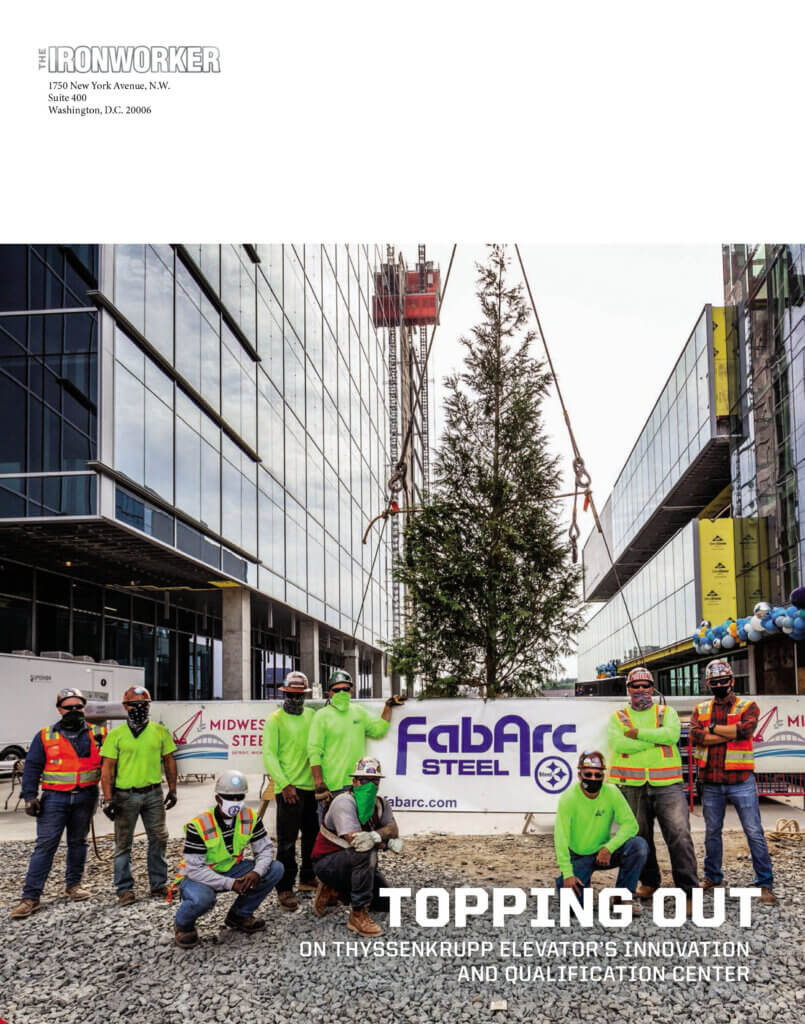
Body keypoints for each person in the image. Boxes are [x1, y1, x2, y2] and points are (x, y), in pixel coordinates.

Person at [10, 688, 107, 919]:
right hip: (55, 799)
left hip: (85, 797)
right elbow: (32, 766)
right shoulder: (45, 735)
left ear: (84, 708)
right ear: (59, 710)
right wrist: (30, 796)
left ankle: (73, 885)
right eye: (68, 707)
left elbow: (109, 764)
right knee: (45, 846)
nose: (74, 711)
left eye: (78, 707)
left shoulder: (98, 734)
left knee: (78, 843)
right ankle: (30, 897)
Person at [608, 666, 699, 907]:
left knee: (679, 836)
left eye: (645, 686)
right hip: (632, 785)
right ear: (628, 690)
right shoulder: (618, 717)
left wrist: (636, 734)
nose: (640, 691)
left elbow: (670, 736)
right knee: (639, 837)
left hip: (667, 784)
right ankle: (649, 882)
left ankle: (689, 892)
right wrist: (652, 740)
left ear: (652, 688)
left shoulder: (665, 712)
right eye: (635, 687)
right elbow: (619, 744)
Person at [689, 658, 776, 905]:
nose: (719, 684)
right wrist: (727, 732)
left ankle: (765, 883)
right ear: (708, 683)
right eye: (714, 681)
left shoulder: (748, 706)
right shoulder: (701, 709)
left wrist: (713, 729)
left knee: (754, 832)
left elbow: (745, 731)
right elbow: (697, 737)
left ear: (732, 680)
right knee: (712, 833)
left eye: (723, 681)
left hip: (741, 780)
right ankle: (713, 877)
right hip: (712, 782)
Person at [172, 770, 284, 949]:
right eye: (229, 798)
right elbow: (194, 869)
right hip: (199, 876)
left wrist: (256, 872)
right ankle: (183, 925)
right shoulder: (199, 825)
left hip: (232, 869)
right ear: (218, 799)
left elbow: (265, 849)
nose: (234, 802)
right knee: (202, 898)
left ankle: (239, 915)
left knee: (275, 869)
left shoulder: (250, 817)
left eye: (239, 797)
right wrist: (230, 884)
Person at [99, 685, 178, 905]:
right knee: (123, 844)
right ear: (126, 706)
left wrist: (172, 789)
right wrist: (107, 799)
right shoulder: (116, 735)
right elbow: (108, 768)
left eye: (144, 705)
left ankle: (158, 884)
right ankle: (124, 889)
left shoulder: (160, 732)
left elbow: (169, 760)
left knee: (159, 838)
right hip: (125, 796)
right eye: (135, 705)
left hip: (153, 793)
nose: (140, 708)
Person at [310, 756, 402, 937]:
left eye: (374, 781)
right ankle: (358, 914)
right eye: (364, 780)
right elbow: (356, 841)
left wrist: (376, 835)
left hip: (357, 866)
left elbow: (394, 829)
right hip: (328, 863)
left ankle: (336, 890)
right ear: (354, 781)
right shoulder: (344, 802)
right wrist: (382, 838)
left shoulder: (380, 805)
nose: (370, 785)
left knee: (387, 903)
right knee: (364, 850)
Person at [554, 751, 648, 913]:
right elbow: (560, 837)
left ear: (603, 775)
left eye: (598, 775)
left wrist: (608, 848)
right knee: (575, 909)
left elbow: (631, 825)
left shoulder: (611, 792)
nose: (593, 779)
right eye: (588, 774)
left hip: (603, 853)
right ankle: (563, 881)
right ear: (579, 775)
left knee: (638, 846)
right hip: (578, 855)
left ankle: (622, 897)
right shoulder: (568, 798)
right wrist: (568, 873)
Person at [308, 669, 405, 814]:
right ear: (329, 693)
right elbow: (314, 751)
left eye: (345, 689)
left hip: (357, 783)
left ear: (351, 691)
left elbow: (378, 730)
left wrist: (388, 707)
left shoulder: (358, 712)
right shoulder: (321, 716)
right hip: (332, 785)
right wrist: (318, 782)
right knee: (330, 830)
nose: (341, 693)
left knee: (356, 829)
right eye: (337, 690)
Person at [261, 669, 318, 912]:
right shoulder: (275, 719)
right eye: (290, 695)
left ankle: (307, 877)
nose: (295, 700)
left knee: (312, 837)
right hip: (288, 791)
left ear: (305, 695)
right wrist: (284, 784)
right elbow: (269, 755)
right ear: (284, 694)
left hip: (311, 789)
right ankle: (285, 887)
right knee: (286, 842)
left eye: (299, 695)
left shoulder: (313, 716)